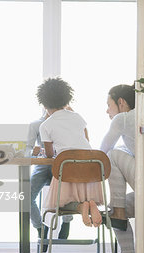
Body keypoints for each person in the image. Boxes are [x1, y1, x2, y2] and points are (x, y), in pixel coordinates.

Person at [38, 77, 103, 227]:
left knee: (57, 205)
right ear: (66, 99)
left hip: (67, 172)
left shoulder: (46, 125)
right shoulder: (78, 117)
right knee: (73, 197)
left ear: (43, 103)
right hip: (90, 172)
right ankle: (89, 203)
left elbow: (49, 154)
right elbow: (86, 141)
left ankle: (81, 207)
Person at [99, 84, 136, 253]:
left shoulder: (123, 118)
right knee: (113, 211)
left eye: (108, 104)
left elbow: (103, 151)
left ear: (121, 102)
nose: (107, 110)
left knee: (113, 153)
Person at [26, 109, 73, 240]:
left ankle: (67, 222)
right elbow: (27, 149)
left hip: (62, 166)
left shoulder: (67, 123)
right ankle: (40, 228)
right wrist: (32, 152)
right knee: (26, 197)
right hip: (42, 166)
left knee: (68, 192)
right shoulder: (36, 125)